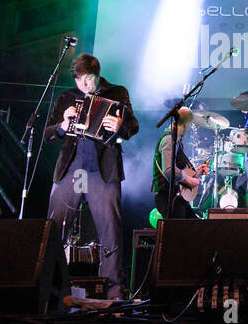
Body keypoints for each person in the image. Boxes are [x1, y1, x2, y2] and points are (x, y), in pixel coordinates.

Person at [44, 54, 139, 300]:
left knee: (110, 230)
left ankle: (114, 291)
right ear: (75, 78)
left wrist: (119, 125)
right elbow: (48, 132)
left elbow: (133, 127)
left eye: (91, 80)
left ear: (98, 75)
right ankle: (52, 289)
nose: (86, 86)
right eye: (81, 81)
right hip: (74, 167)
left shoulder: (117, 93)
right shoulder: (67, 97)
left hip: (102, 170)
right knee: (55, 227)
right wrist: (64, 125)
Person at [153, 107, 208, 220]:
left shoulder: (176, 140)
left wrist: (195, 173)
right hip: (168, 198)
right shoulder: (169, 140)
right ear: (186, 124)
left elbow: (177, 172)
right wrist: (188, 180)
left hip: (176, 197)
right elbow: (168, 170)